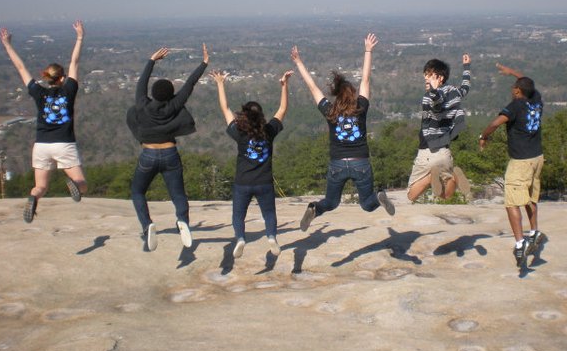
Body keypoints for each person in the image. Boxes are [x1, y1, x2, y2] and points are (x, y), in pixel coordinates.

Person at [291, 33, 395, 231]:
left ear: (336, 95)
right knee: (367, 204)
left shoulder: (330, 111)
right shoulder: (361, 108)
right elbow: (366, 79)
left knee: (331, 202)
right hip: (360, 163)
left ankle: (314, 208)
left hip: (337, 164)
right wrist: (368, 50)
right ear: (353, 94)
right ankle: (379, 196)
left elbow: (312, 87)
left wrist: (298, 62)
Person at [0, 21, 88, 223]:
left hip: (41, 145)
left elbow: (21, 67)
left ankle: (34, 197)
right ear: (62, 78)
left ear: (47, 78)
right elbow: (75, 62)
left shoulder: (39, 93)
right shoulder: (69, 90)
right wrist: (80, 37)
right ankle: (74, 184)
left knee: (41, 187)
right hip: (64, 143)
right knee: (82, 183)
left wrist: (8, 45)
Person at [126, 44, 209, 252]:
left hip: (149, 153)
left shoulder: (142, 105)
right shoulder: (175, 105)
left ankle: (147, 225)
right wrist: (204, 64)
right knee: (178, 194)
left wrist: (151, 61)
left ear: (153, 94)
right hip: (170, 152)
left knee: (137, 191)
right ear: (171, 94)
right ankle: (182, 221)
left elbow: (141, 84)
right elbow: (190, 84)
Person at [211, 68, 294, 259]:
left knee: (238, 215)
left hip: (243, 182)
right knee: (269, 213)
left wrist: (220, 84)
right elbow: (282, 109)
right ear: (261, 116)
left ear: (244, 116)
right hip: (264, 182)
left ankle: (240, 238)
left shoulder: (239, 132)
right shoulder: (269, 130)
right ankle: (272, 236)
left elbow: (225, 108)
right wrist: (284, 86)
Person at [478, 63, 546, 268]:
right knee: (529, 198)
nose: (512, 89)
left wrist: (484, 136)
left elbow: (496, 123)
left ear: (518, 91)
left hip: (521, 161)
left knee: (512, 203)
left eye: (514, 87)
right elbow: (526, 80)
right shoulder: (536, 99)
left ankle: (520, 243)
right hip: (537, 158)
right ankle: (534, 233)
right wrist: (512, 73)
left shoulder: (516, 105)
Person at [406, 54, 472, 203]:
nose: (425, 78)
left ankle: (431, 177)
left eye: (429, 75)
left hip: (428, 152)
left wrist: (434, 92)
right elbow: (465, 88)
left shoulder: (430, 96)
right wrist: (466, 67)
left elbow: (438, 105)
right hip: (445, 153)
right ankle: (454, 176)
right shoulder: (455, 92)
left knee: (411, 195)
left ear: (440, 78)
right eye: (425, 74)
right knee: (446, 195)